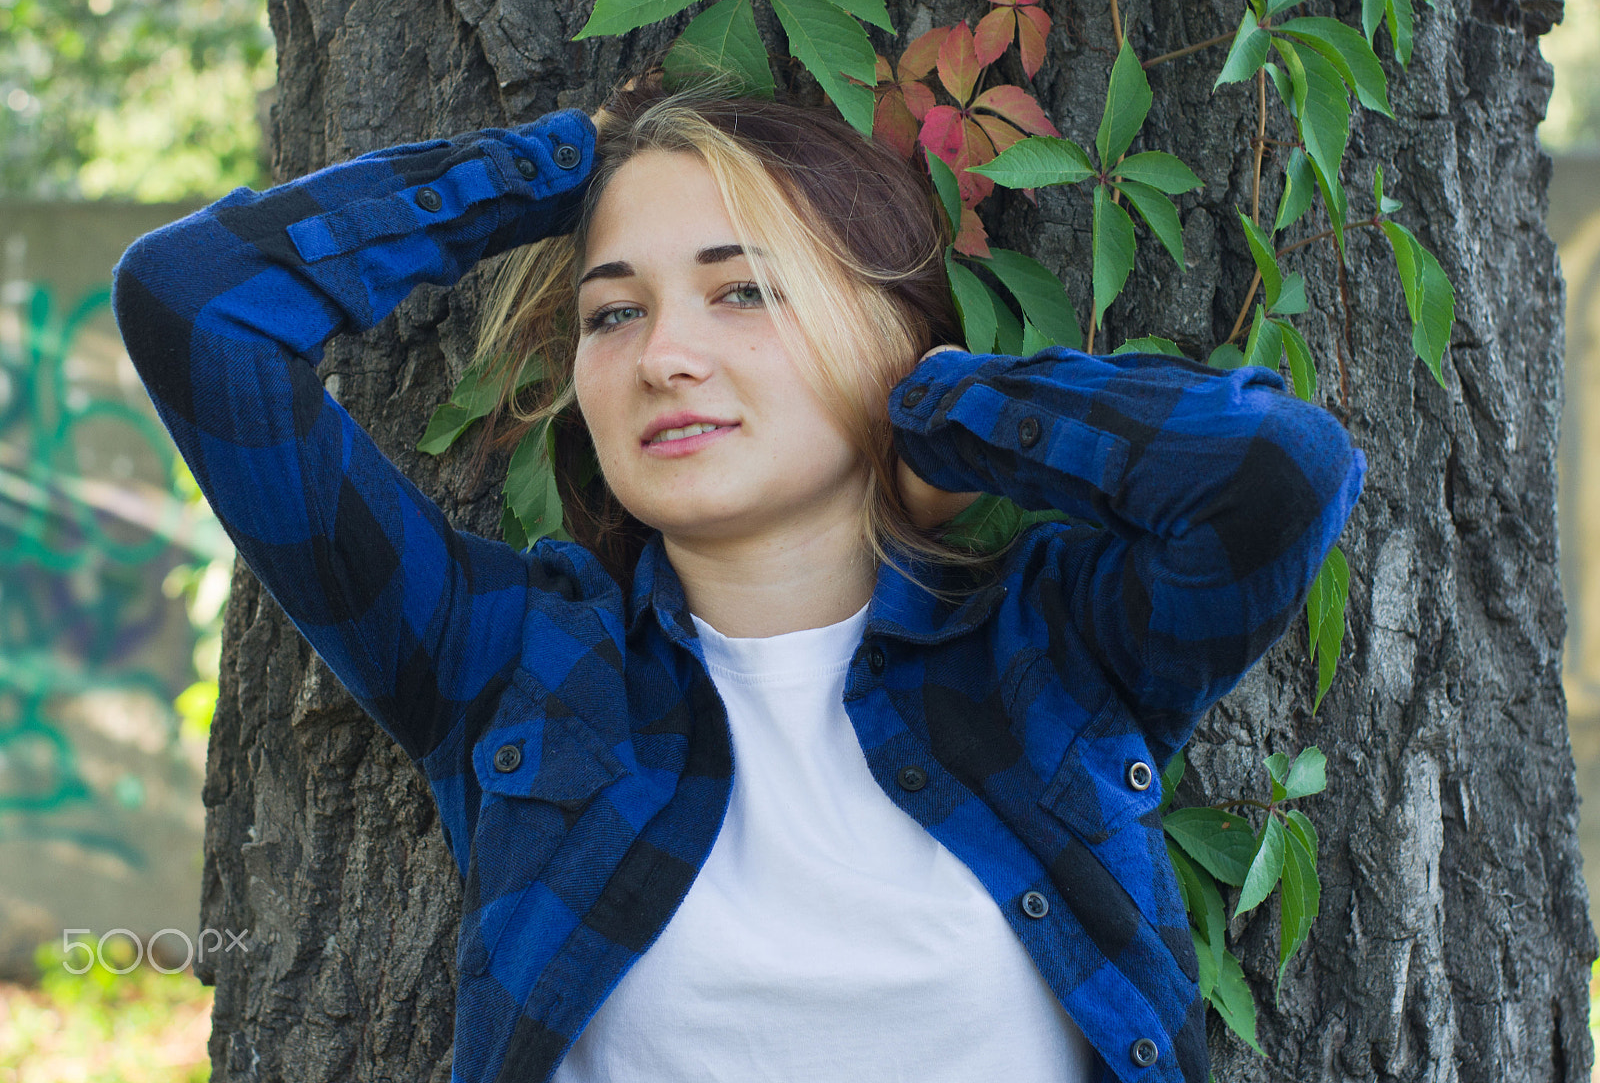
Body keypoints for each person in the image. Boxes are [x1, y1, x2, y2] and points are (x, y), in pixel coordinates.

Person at [112, 76, 1365, 1083]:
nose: (665, 355)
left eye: (744, 291)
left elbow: (1276, 472)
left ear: (887, 331)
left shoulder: (1057, 652)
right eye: (613, 313)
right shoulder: (507, 667)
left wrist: (933, 409)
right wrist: (561, 166)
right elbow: (199, 305)